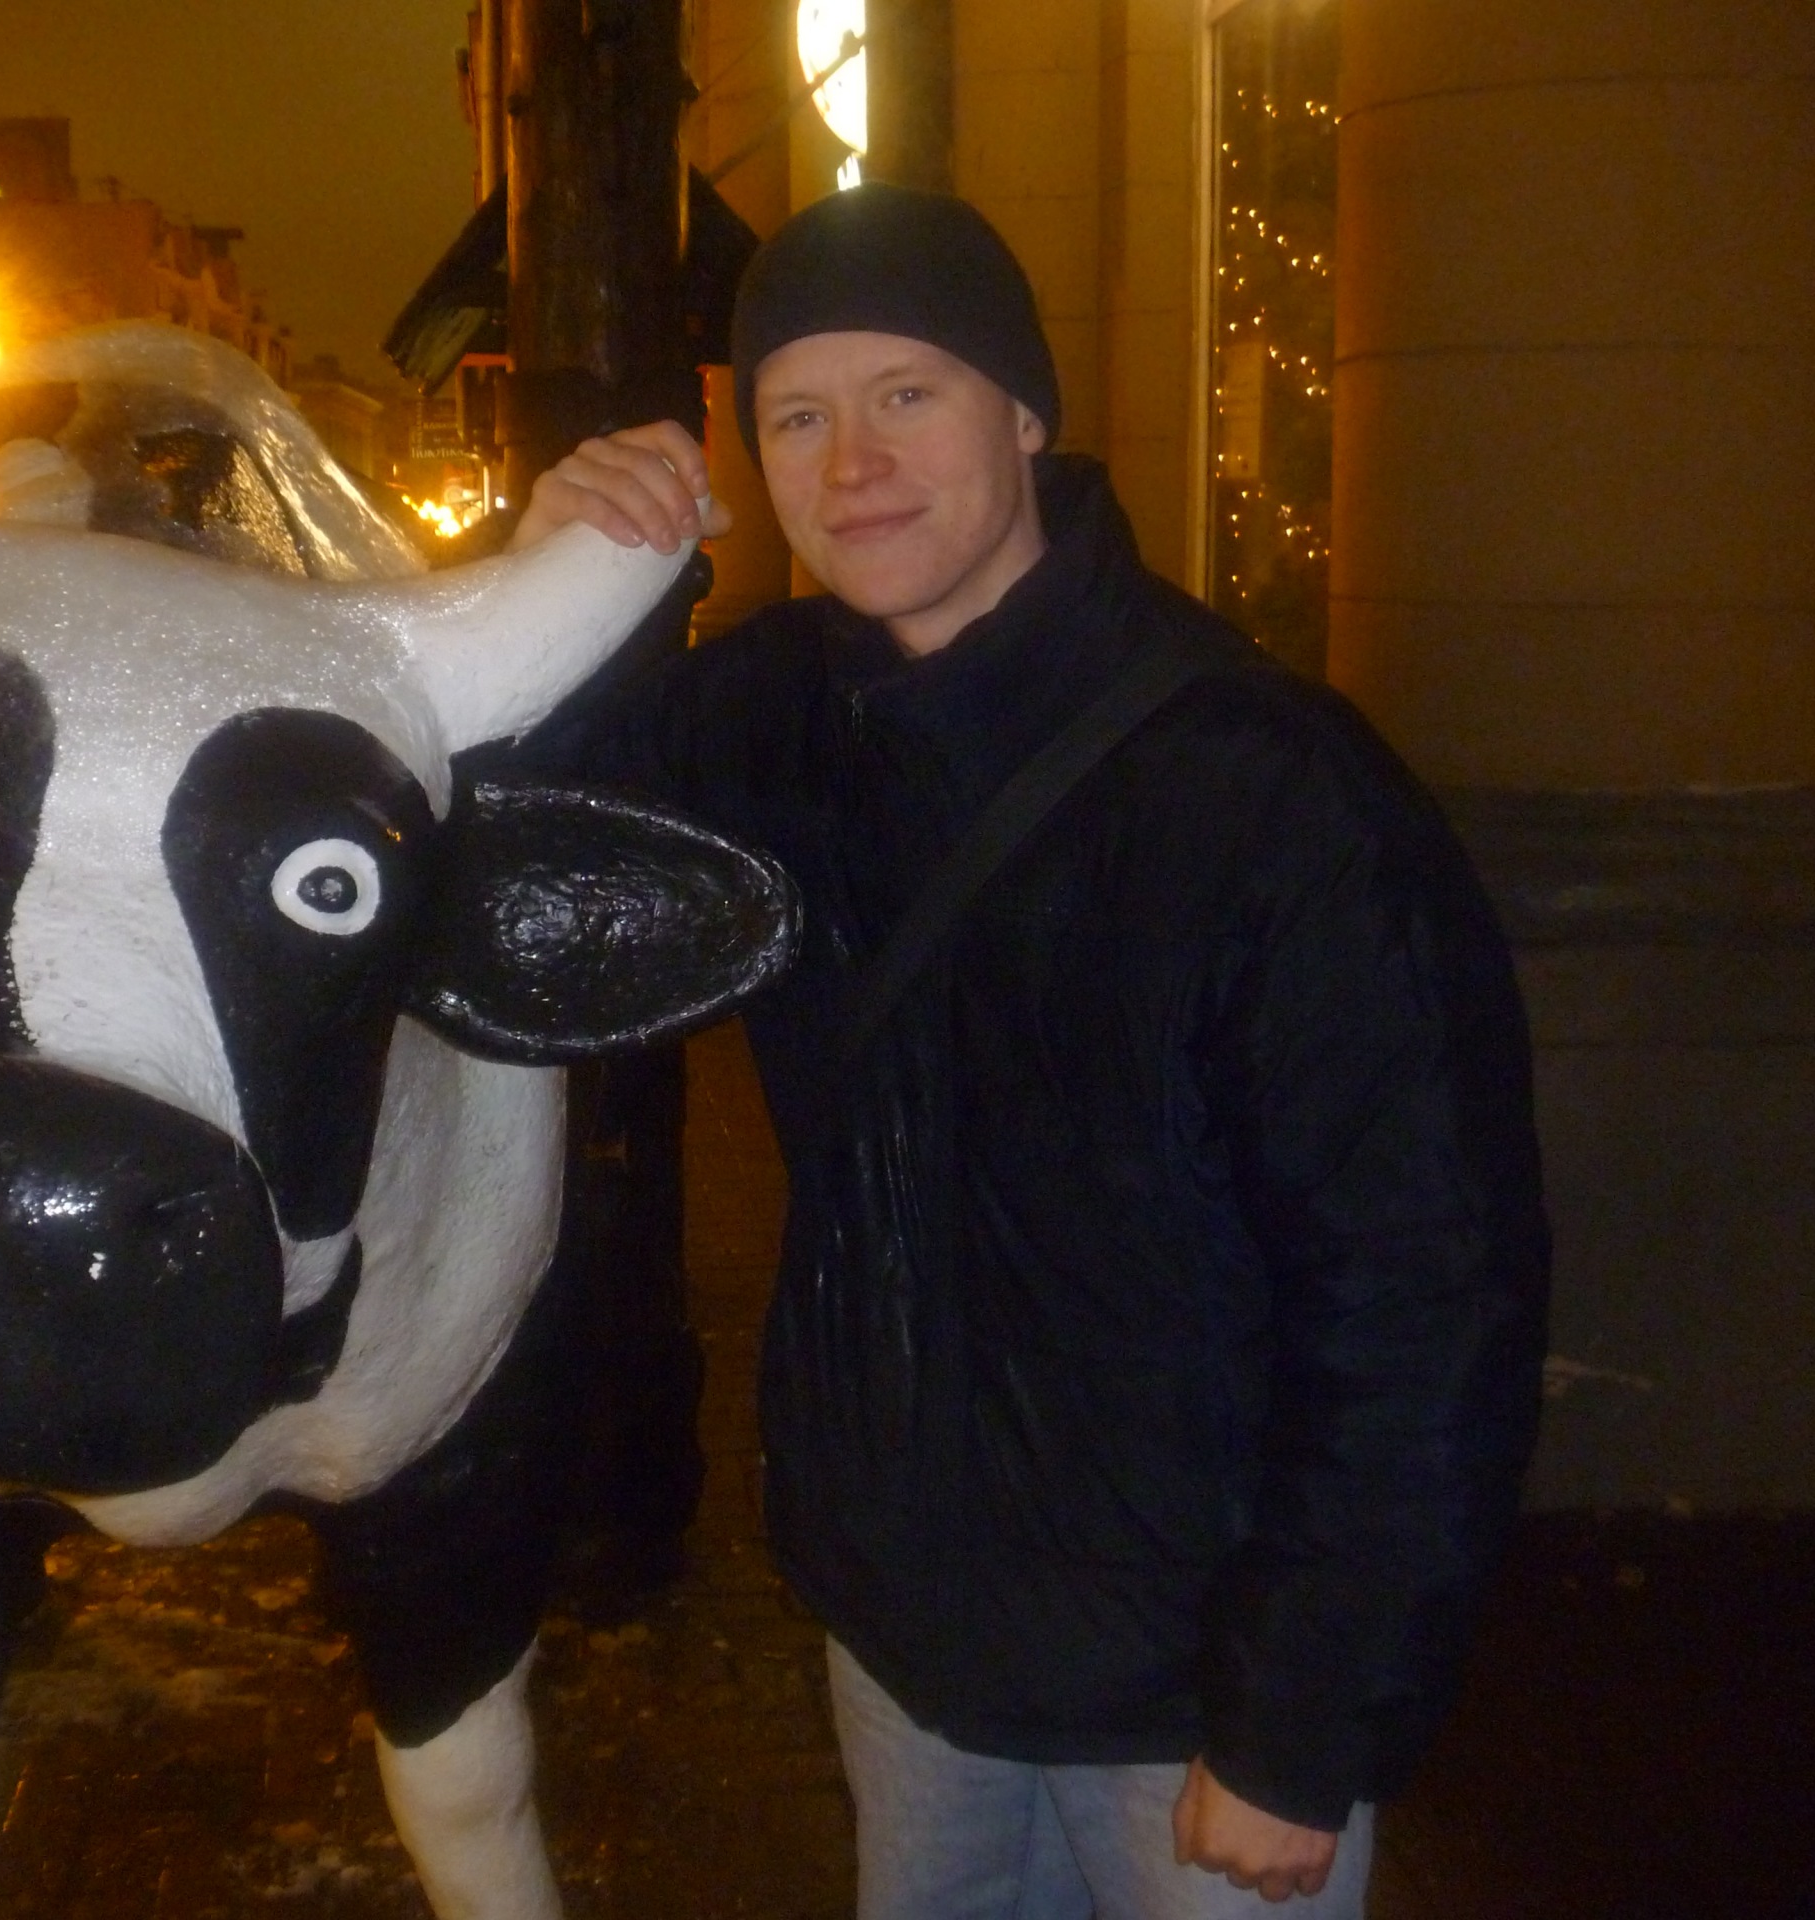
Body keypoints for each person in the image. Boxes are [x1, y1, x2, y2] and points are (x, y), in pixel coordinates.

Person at [509, 184, 1548, 1917]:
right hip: (906, 1646)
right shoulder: (781, 722)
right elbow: (533, 881)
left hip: (1188, 1698)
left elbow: (1425, 1289)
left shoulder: (1273, 795)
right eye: (797, 416)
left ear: (1026, 416)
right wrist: (560, 579)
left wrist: (1305, 1721)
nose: (855, 464)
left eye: (908, 393)